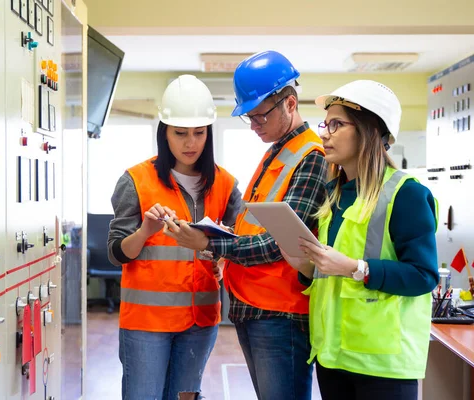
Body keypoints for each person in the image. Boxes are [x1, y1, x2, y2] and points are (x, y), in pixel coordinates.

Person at [163, 51, 328, 400]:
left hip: (280, 314)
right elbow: (256, 229)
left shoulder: (311, 157)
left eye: (260, 116)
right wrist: (220, 242)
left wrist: (207, 244)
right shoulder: (277, 150)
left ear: (290, 103)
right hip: (253, 306)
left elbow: (276, 244)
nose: (254, 125)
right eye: (249, 118)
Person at [278, 80, 439, 400]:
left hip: (382, 365)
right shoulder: (335, 194)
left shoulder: (406, 193)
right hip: (333, 357)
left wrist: (357, 268)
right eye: (326, 123)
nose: (324, 133)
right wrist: (306, 267)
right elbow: (330, 271)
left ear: (368, 130)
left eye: (336, 124)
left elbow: (424, 276)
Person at [107, 74, 243, 400]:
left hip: (201, 321)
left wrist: (221, 255)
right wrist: (144, 232)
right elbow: (116, 252)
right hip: (147, 323)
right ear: (164, 132)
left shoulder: (225, 184)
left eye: (199, 133)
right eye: (180, 133)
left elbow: (238, 242)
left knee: (185, 396)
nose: (190, 143)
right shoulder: (136, 180)